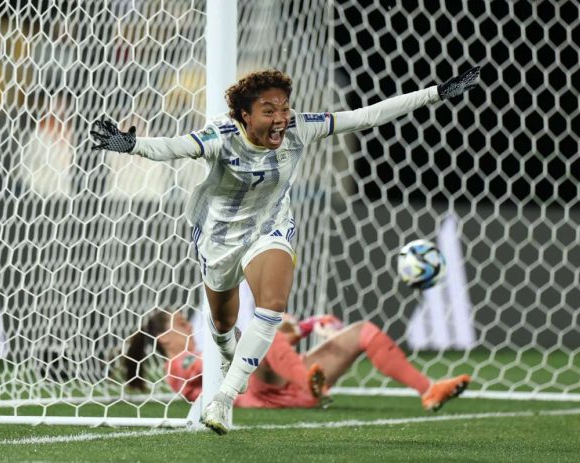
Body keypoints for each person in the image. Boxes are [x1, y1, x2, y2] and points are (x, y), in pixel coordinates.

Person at [91, 66, 481, 434]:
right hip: (219, 236)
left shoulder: (299, 128)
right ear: (244, 115)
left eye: (284, 107)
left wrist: (435, 93)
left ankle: (224, 399)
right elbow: (173, 146)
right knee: (223, 325)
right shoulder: (220, 137)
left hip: (270, 227)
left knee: (273, 304)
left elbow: (366, 116)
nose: (281, 118)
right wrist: (132, 144)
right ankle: (229, 357)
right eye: (268, 110)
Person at [114, 304, 470, 412]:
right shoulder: (178, 366)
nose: (187, 327)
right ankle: (309, 381)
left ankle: (428, 388)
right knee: (263, 336)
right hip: (261, 395)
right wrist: (283, 330)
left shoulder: (198, 350)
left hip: (291, 384)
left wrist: (306, 326)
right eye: (179, 324)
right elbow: (226, 366)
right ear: (163, 338)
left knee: (364, 331)